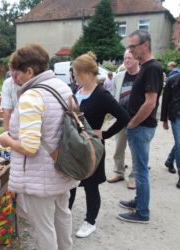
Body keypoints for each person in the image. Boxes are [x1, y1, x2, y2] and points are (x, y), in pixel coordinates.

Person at [0, 44, 79, 250]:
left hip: (40, 178)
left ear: (30, 71)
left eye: (17, 73)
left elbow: (30, 147)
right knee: (62, 216)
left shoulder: (32, 97)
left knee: (43, 228)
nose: (15, 78)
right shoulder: (63, 87)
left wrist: (6, 139)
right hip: (64, 167)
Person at [69, 52, 129, 238]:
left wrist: (105, 133)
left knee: (90, 185)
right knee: (70, 183)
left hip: (91, 147)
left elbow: (124, 117)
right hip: (75, 144)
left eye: (76, 72)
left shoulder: (101, 94)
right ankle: (65, 215)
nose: (74, 76)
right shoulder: (78, 90)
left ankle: (90, 222)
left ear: (86, 72)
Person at [118, 30, 163, 223]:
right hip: (140, 126)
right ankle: (138, 201)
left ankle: (142, 212)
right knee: (138, 168)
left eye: (133, 46)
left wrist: (133, 122)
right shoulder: (146, 66)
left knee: (141, 171)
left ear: (145, 45)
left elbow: (150, 102)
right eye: (129, 46)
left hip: (141, 127)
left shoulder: (152, 68)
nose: (130, 50)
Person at [107, 50, 140, 189]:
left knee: (135, 150)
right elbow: (114, 95)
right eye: (125, 58)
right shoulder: (118, 76)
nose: (126, 60)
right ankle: (118, 172)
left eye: (129, 58)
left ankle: (133, 177)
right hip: (121, 119)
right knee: (119, 148)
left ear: (137, 59)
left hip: (137, 120)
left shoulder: (143, 75)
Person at [161, 73, 180, 188]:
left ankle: (169, 161)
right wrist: (164, 119)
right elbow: (165, 100)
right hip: (176, 116)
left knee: (179, 143)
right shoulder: (172, 80)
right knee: (179, 143)